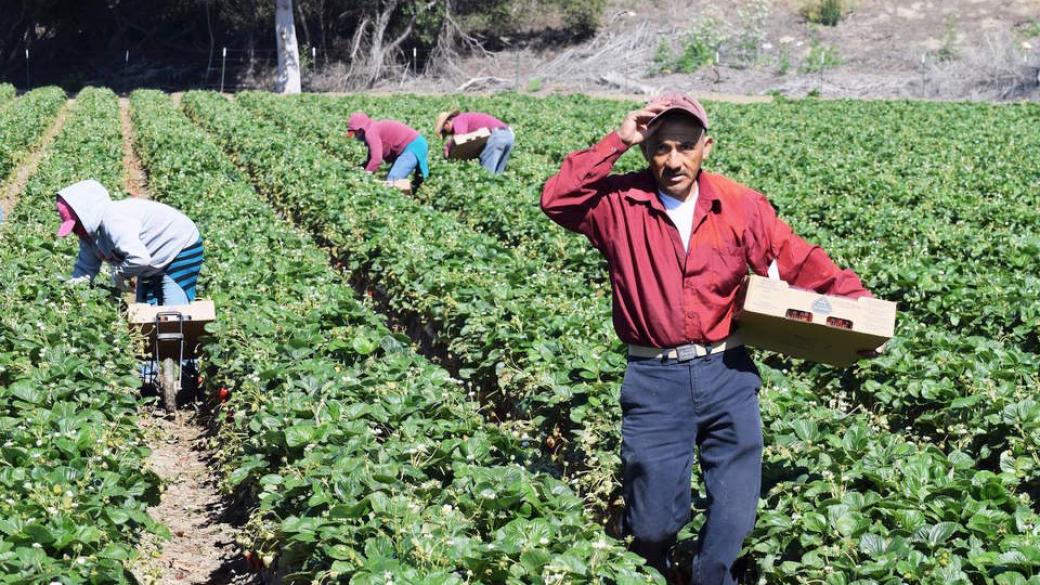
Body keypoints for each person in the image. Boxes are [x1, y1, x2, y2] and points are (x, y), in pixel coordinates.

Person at [540, 94, 878, 585]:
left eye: (685, 146)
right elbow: (556, 199)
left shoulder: (740, 205)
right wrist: (617, 139)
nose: (673, 161)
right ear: (646, 150)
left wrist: (860, 312)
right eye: (659, 147)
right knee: (653, 523)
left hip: (728, 371)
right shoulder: (617, 204)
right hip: (654, 377)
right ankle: (652, 563)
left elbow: (799, 261)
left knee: (733, 518)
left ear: (707, 147)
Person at [56, 179, 203, 306]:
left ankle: (182, 334)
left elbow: (140, 259)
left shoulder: (114, 221)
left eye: (76, 225)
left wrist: (119, 275)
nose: (75, 232)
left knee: (173, 313)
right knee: (145, 313)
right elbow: (85, 270)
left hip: (180, 246)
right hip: (152, 258)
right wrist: (68, 292)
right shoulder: (88, 236)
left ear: (87, 216)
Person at [347, 112, 429, 188]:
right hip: (414, 144)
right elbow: (371, 159)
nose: (355, 136)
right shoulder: (372, 129)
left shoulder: (370, 133)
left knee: (393, 180)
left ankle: (404, 200)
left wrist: (365, 176)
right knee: (416, 182)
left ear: (360, 130)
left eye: (355, 133)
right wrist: (360, 169)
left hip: (413, 145)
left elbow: (376, 159)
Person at [434, 110, 515, 175]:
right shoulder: (466, 118)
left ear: (447, 123)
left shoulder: (458, 120)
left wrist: (448, 147)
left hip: (497, 136)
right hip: (509, 135)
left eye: (444, 131)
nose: (447, 134)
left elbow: (459, 137)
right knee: (498, 174)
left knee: (487, 173)